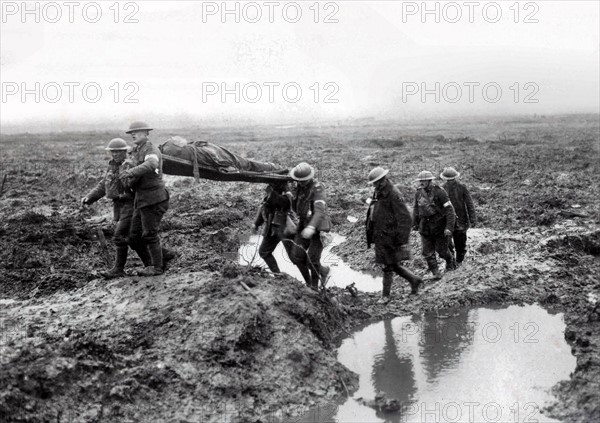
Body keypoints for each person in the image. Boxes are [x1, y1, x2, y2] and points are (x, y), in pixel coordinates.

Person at [82, 138, 175, 278]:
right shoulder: (113, 166)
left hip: (132, 204)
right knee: (133, 238)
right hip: (121, 206)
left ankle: (121, 269)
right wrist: (90, 197)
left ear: (125, 152)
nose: (115, 154)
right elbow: (105, 184)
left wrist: (125, 178)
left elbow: (132, 182)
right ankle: (160, 257)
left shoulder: (130, 164)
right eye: (113, 152)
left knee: (121, 236)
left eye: (119, 152)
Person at [119, 121, 170, 276]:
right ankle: (155, 262)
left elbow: (152, 163)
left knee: (149, 234)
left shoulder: (150, 149)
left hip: (153, 199)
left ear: (146, 134)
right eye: (131, 133)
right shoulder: (138, 150)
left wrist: (131, 172)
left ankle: (157, 267)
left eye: (137, 132)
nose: (133, 135)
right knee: (133, 237)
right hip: (141, 200)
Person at [366, 167, 422, 304]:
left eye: (376, 182)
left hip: (391, 236)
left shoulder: (393, 194)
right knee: (392, 264)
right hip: (381, 234)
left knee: (388, 266)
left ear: (383, 180)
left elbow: (406, 218)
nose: (374, 185)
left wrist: (401, 240)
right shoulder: (379, 192)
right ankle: (415, 280)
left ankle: (385, 296)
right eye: (373, 183)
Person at [288, 162, 331, 291]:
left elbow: (319, 211)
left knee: (312, 259)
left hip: (318, 228)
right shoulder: (299, 188)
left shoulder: (318, 188)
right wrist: (292, 193)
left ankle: (314, 287)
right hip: (303, 224)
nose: (300, 183)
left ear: (309, 178)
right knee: (296, 255)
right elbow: (295, 207)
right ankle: (317, 275)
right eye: (298, 181)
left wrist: (311, 227)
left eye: (303, 181)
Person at [412, 170, 456, 280]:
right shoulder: (418, 193)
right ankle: (436, 273)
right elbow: (416, 209)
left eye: (424, 180)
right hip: (425, 227)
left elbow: (450, 210)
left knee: (442, 251)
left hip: (439, 227)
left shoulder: (440, 192)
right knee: (427, 252)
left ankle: (450, 261)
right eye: (420, 180)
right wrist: (414, 223)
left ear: (429, 180)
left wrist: (449, 227)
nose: (421, 182)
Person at [253, 181, 294, 273]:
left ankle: (320, 271)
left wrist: (271, 193)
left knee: (295, 258)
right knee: (264, 252)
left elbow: (285, 203)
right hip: (273, 229)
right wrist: (256, 224)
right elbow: (265, 208)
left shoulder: (287, 192)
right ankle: (277, 275)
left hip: (285, 228)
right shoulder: (271, 191)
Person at [440, 167, 477, 265]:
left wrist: (472, 218)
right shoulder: (442, 188)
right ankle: (451, 261)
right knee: (447, 242)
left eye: (451, 180)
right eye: (448, 180)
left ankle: (459, 260)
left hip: (460, 219)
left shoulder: (462, 187)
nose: (450, 181)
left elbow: (469, 203)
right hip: (448, 220)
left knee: (460, 242)